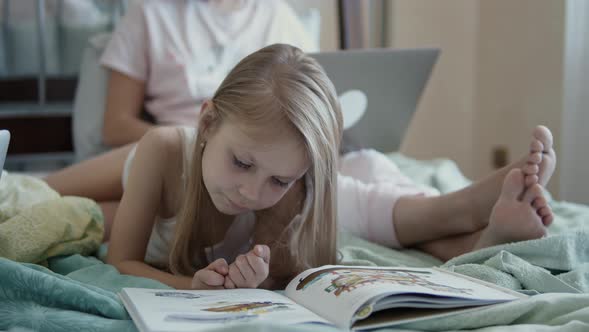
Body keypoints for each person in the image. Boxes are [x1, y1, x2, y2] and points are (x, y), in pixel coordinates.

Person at [44, 44, 556, 291]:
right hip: (158, 175)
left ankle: (488, 217)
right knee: (53, 198)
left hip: (280, 152)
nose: (249, 191)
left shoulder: (292, 186)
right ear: (206, 125)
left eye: (278, 180)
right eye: (242, 163)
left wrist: (254, 275)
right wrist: (193, 286)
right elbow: (122, 261)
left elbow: (294, 243)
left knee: (402, 215)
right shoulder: (165, 148)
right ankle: (481, 209)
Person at [100, 0, 316, 148]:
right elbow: (116, 126)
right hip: (182, 146)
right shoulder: (150, 13)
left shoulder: (277, 14)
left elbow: (313, 104)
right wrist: (193, 142)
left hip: (263, 149)